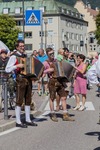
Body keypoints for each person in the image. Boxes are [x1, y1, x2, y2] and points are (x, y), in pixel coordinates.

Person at [5, 40, 37, 128]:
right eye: (21, 46)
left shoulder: (26, 56)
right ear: (17, 47)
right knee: (19, 100)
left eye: (23, 46)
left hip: (28, 79)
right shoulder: (14, 57)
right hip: (20, 79)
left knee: (28, 100)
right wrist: (17, 66)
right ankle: (18, 121)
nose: (23, 47)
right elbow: (7, 69)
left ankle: (28, 119)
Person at [43, 47, 75, 122]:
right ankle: (52, 114)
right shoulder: (45, 62)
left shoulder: (57, 60)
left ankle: (65, 114)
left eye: (53, 53)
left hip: (60, 80)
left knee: (63, 97)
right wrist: (48, 71)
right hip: (52, 81)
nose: (52, 55)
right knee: (52, 98)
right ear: (47, 54)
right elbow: (43, 71)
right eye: (50, 54)